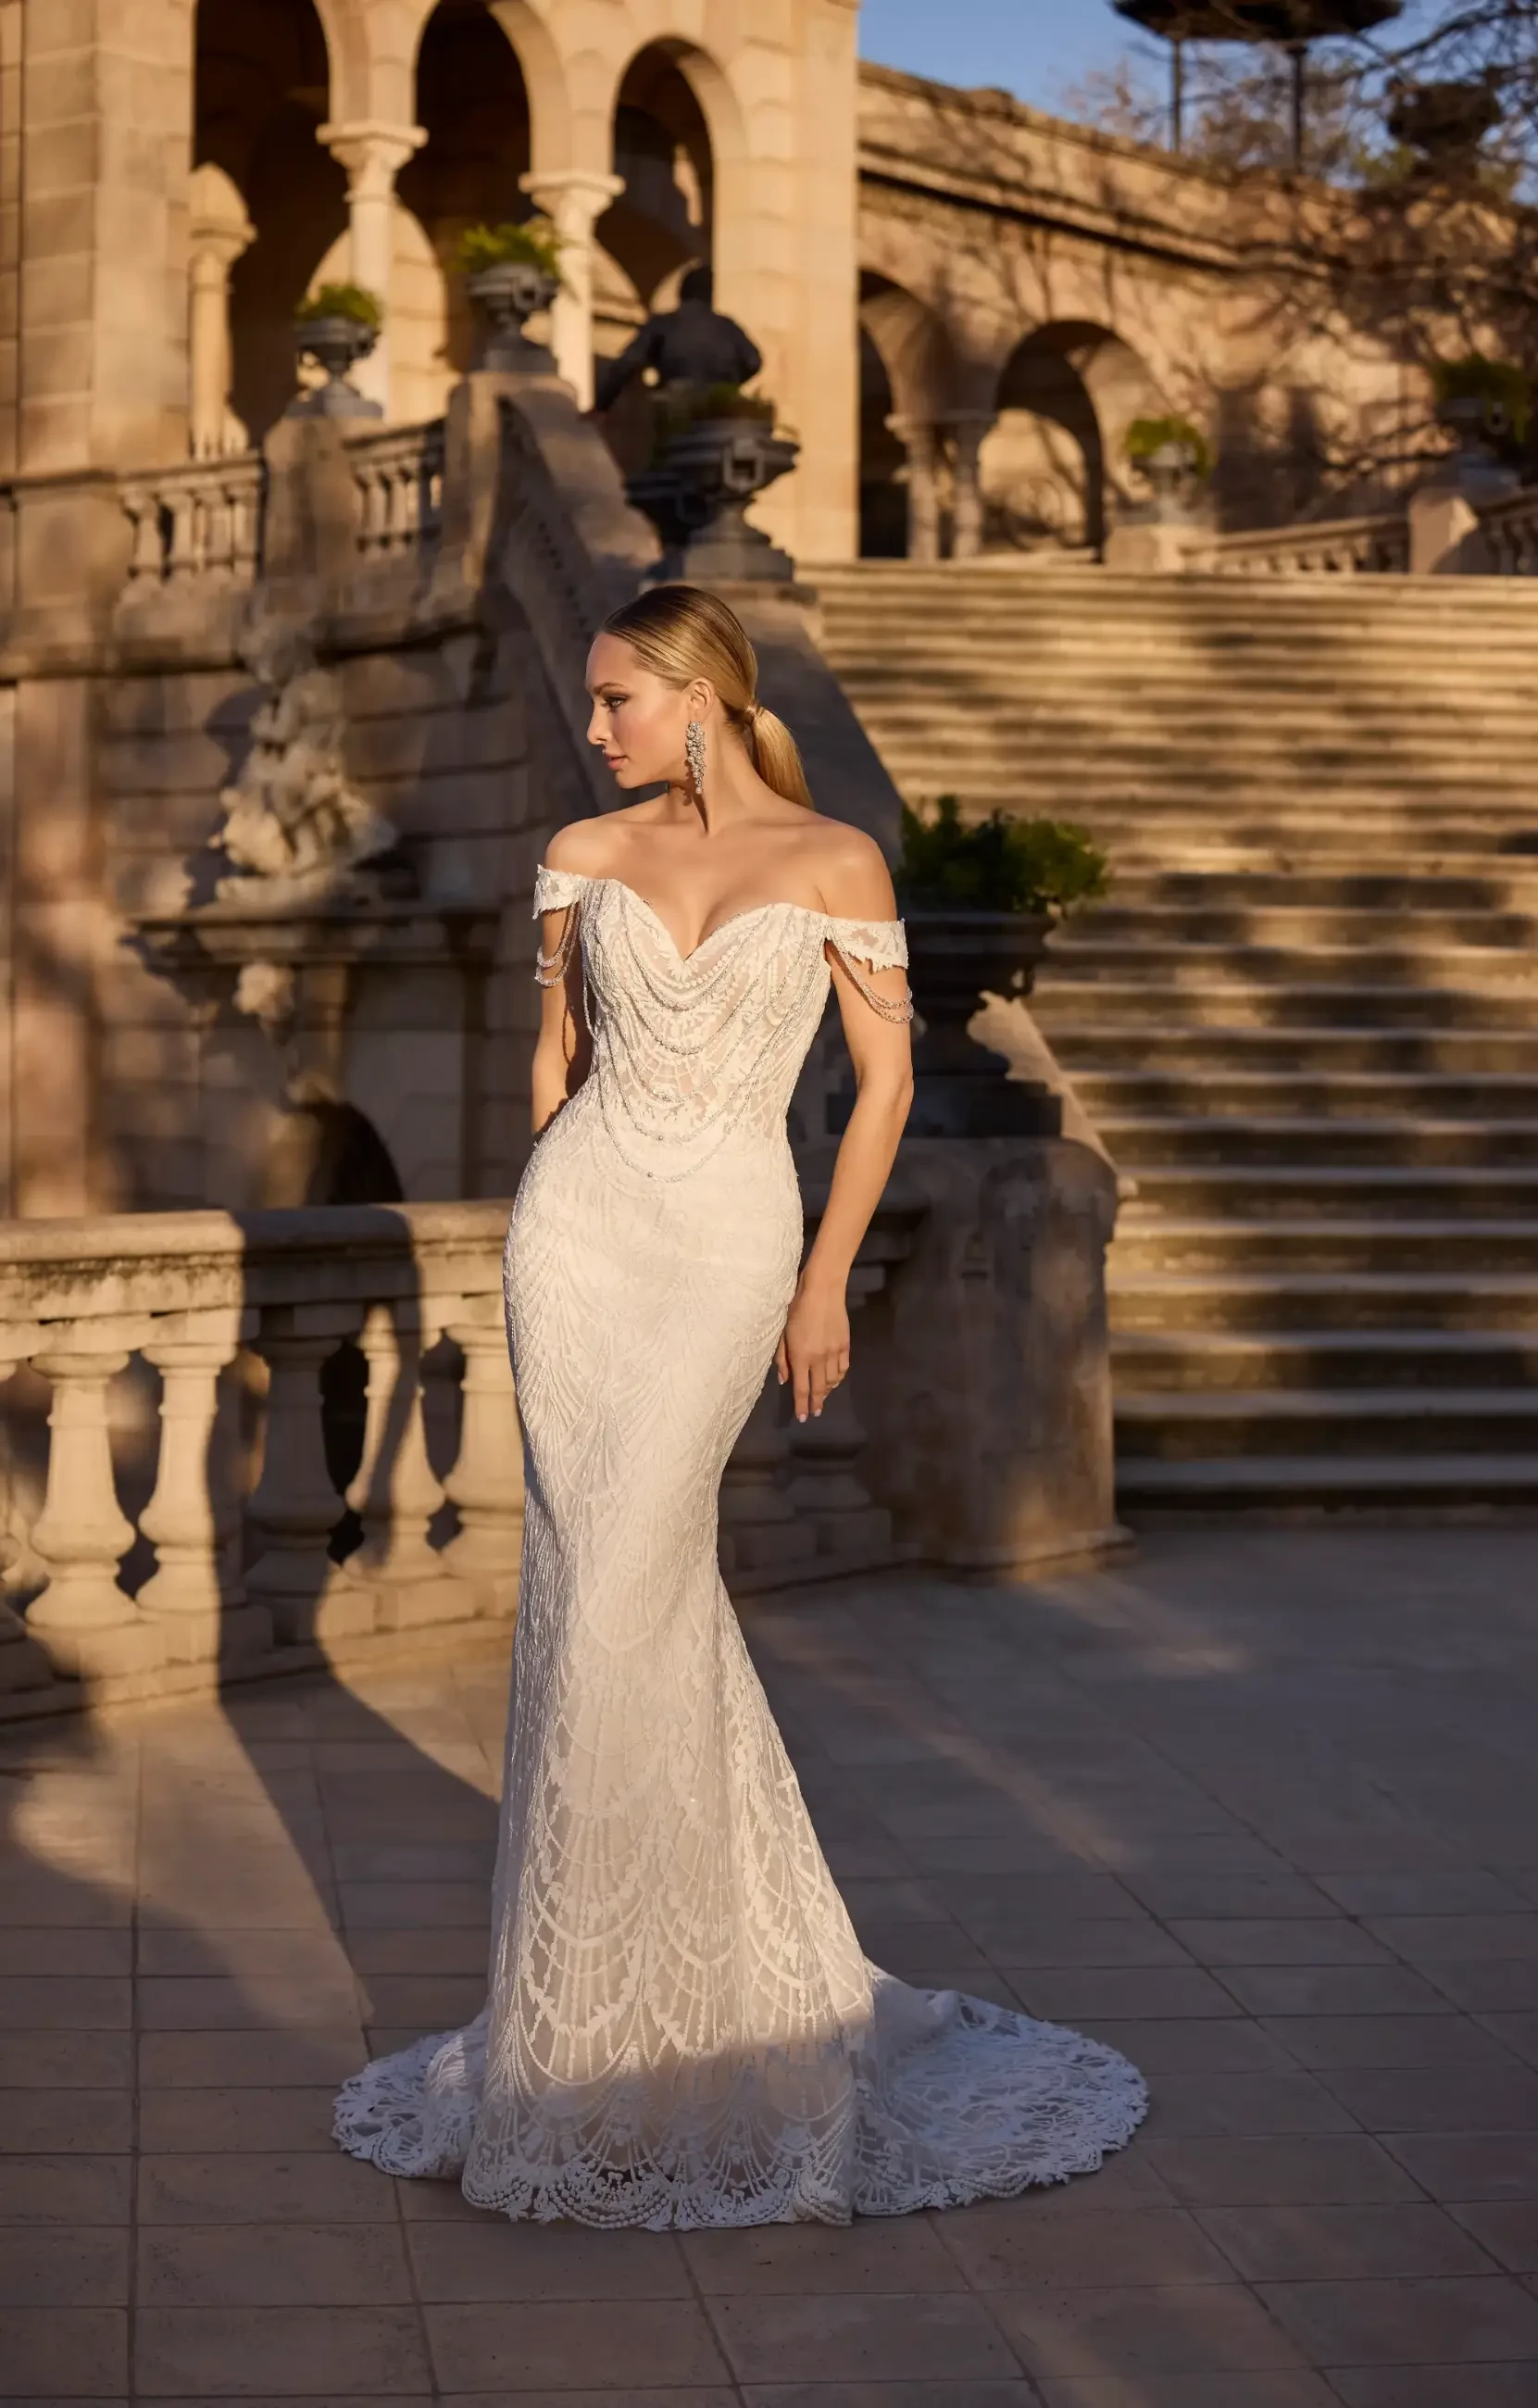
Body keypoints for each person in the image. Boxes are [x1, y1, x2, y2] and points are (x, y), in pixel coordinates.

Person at [332, 583, 1145, 2227]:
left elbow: (887, 1084)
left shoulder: (837, 862)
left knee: (632, 1585)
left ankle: (701, 2000)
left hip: (728, 1239)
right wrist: (552, 1200)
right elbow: (553, 1062)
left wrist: (825, 1276)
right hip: (581, 1238)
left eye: (617, 700)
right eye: (590, 702)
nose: (595, 729)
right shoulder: (582, 853)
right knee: (593, 1598)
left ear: (698, 696)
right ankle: (590, 2016)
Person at [594, 264, 762, 416]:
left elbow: (627, 363)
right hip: (719, 409)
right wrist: (729, 385)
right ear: (710, 296)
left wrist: (602, 405)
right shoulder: (726, 326)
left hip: (676, 405)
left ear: (681, 293)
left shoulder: (663, 324)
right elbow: (754, 361)